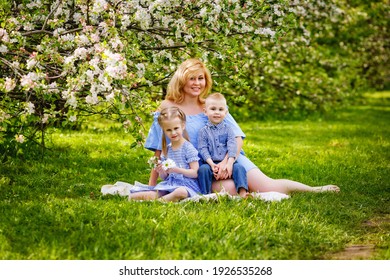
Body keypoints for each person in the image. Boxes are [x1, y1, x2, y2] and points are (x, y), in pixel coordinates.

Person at [145, 58, 340, 195]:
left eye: (201, 78)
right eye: (192, 78)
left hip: (230, 160)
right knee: (229, 190)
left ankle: (314, 189)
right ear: (182, 79)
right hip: (200, 169)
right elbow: (157, 149)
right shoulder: (167, 107)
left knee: (269, 186)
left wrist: (228, 163)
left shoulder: (211, 105)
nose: (197, 83)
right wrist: (151, 185)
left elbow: (237, 137)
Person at [128, 107, 202, 202]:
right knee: (144, 194)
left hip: (187, 185)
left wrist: (177, 170)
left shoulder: (188, 148)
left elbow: (195, 173)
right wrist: (161, 171)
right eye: (169, 130)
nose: (173, 132)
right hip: (170, 184)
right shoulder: (167, 149)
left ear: (183, 126)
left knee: (181, 192)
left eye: (176, 128)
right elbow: (165, 177)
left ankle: (160, 201)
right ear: (164, 130)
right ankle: (161, 198)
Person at [197, 92, 249, 197]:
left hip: (228, 162)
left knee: (240, 168)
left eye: (220, 109)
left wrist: (229, 163)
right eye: (213, 109)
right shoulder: (203, 131)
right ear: (205, 111)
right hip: (210, 163)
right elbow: (203, 149)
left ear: (226, 112)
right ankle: (205, 195)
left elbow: (232, 146)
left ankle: (243, 193)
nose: (217, 112)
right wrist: (212, 164)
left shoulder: (229, 129)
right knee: (203, 170)